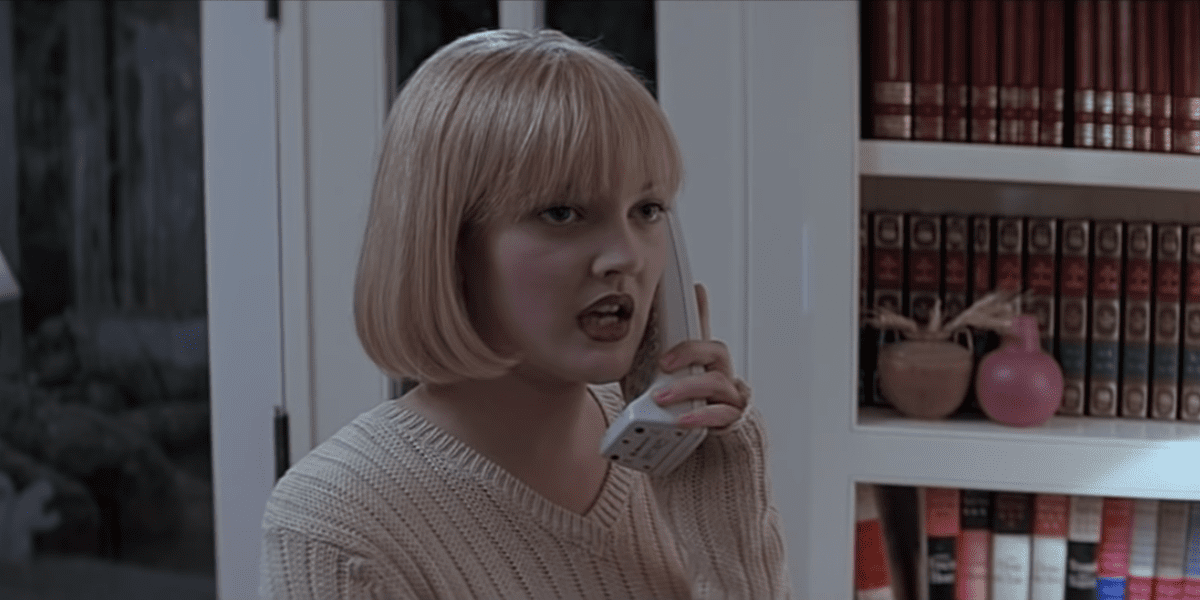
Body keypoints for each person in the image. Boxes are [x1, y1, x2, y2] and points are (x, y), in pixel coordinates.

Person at [259, 28, 791, 599]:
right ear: (448, 246)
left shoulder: (686, 450)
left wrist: (723, 527)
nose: (628, 257)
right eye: (562, 213)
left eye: (647, 209)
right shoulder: (336, 527)